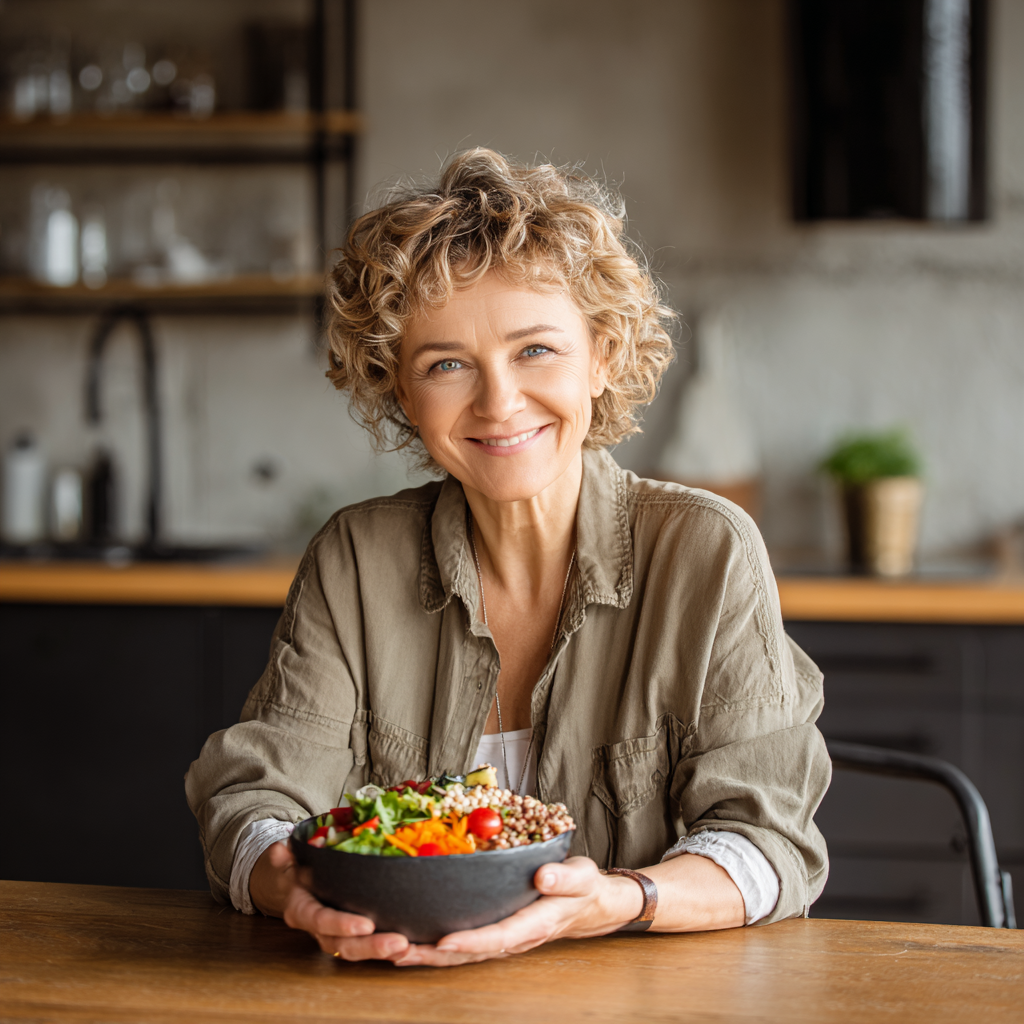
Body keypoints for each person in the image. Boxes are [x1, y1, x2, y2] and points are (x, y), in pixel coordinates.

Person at [185, 148, 830, 968]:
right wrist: (291, 886)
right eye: (447, 364)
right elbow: (256, 802)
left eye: (536, 351)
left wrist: (620, 900)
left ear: (601, 356)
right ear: (400, 390)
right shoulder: (355, 559)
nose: (498, 402)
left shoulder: (706, 550)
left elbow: (770, 848)